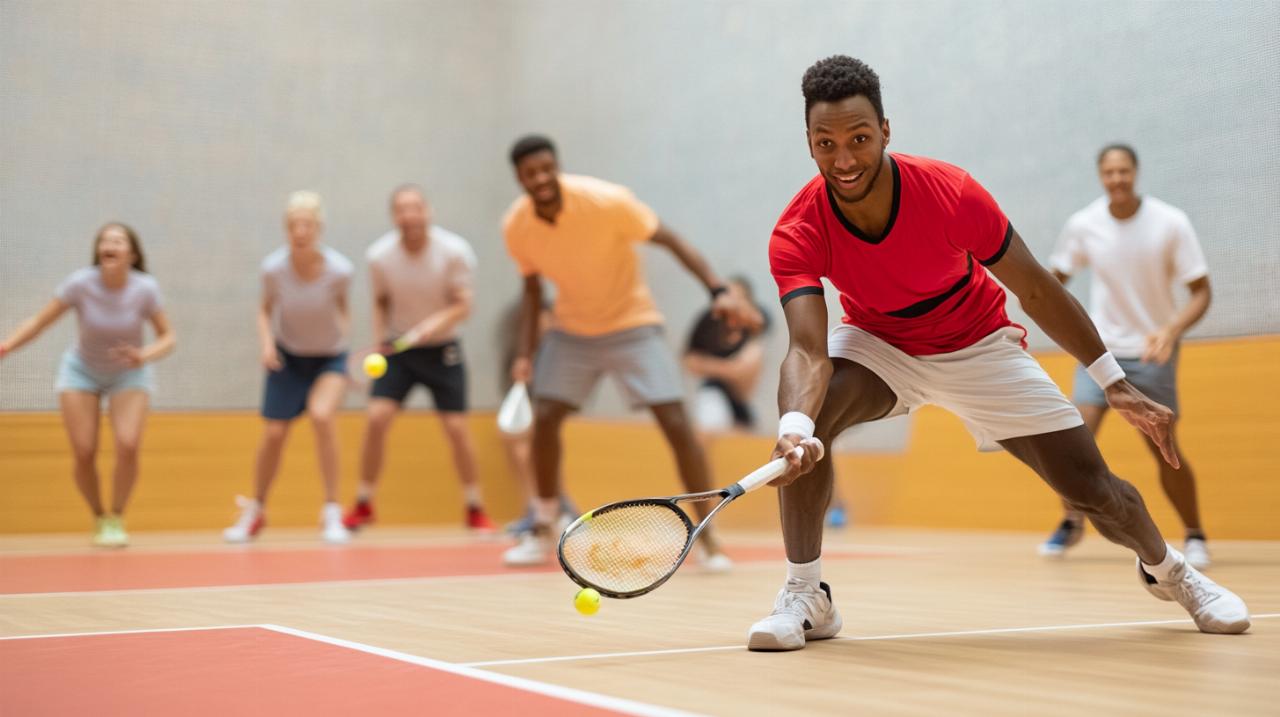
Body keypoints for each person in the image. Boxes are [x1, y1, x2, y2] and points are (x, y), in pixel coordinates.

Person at [750, 55, 1249, 651]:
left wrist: (1111, 379)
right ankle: (807, 594)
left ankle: (1172, 571)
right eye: (826, 143)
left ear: (886, 130)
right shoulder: (798, 228)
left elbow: (1036, 288)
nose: (846, 159)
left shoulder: (950, 193)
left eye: (859, 138)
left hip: (978, 343)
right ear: (808, 143)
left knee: (1090, 488)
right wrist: (795, 425)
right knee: (814, 424)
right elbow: (808, 349)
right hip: (881, 344)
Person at [500, 135, 761, 568]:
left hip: (632, 324)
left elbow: (672, 240)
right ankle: (543, 526)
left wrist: (717, 290)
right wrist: (525, 353)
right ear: (520, 178)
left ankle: (708, 537)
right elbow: (531, 291)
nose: (541, 178)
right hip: (572, 331)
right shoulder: (517, 226)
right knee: (545, 418)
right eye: (531, 173)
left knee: (677, 423)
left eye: (548, 168)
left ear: (557, 166)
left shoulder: (607, 202)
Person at [1037, 145, 1213, 568]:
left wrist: (1170, 330)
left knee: (1164, 449)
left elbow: (1201, 291)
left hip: (1152, 355)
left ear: (1136, 172)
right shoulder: (1084, 224)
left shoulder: (1170, 222)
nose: (1117, 179)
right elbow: (1051, 280)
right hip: (1100, 354)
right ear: (1101, 176)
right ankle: (1071, 521)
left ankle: (1194, 534)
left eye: (1124, 171)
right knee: (1073, 438)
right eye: (1109, 172)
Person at [0, 223, 176, 547]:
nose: (109, 244)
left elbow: (169, 338)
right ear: (98, 251)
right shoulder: (81, 284)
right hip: (81, 371)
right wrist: (6, 346)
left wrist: (143, 355)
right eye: (104, 240)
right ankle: (98, 515)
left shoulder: (145, 288)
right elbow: (39, 322)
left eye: (118, 240)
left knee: (128, 443)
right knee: (84, 450)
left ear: (131, 254)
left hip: (129, 371)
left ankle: (117, 516)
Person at [343, 185, 495, 533]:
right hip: (398, 350)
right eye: (401, 209)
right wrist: (380, 339)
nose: (409, 215)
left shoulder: (454, 251)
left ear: (427, 211)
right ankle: (364, 502)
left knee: (457, 428)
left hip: (442, 350)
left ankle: (474, 506)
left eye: (415, 207)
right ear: (394, 216)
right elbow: (380, 300)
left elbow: (463, 305)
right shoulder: (379, 256)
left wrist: (431, 325)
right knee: (377, 418)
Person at [224, 191, 353, 544]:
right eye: (294, 225)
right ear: (287, 229)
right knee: (274, 434)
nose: (301, 231)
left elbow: (344, 310)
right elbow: (264, 309)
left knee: (322, 416)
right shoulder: (273, 268)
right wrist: (267, 345)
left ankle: (331, 511)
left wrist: (347, 350)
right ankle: (256, 510)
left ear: (318, 228)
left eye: (308, 224)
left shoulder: (340, 270)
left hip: (330, 357)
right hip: (287, 356)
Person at [495, 298, 577, 536]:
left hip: (549, 416)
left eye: (550, 316)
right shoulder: (520, 357)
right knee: (519, 450)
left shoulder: (561, 354)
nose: (548, 322)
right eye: (545, 316)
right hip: (531, 415)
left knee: (539, 450)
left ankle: (562, 509)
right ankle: (535, 508)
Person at [683, 276, 769, 435]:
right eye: (728, 296)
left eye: (739, 297)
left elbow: (744, 372)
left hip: (742, 401)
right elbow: (690, 361)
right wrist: (729, 369)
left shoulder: (753, 330)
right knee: (711, 416)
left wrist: (708, 366)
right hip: (713, 393)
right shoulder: (708, 324)